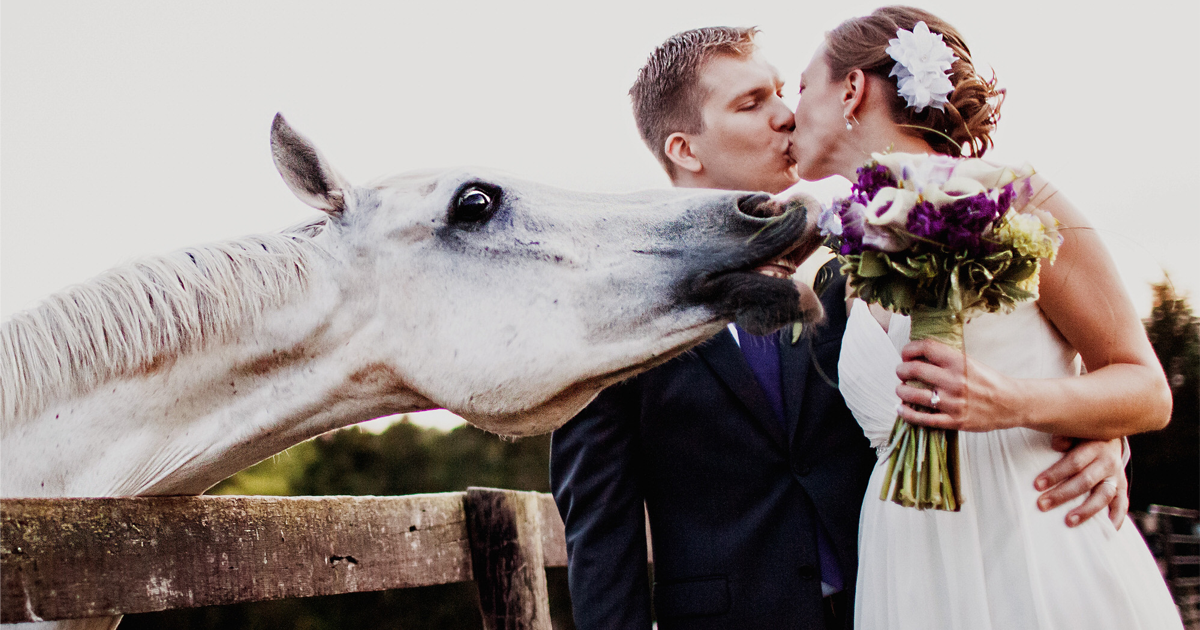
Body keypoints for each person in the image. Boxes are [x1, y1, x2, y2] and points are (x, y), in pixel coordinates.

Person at [551, 25, 1131, 630]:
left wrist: (1102, 436)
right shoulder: (612, 316)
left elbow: (1039, 357)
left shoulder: (861, 263)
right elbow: (600, 531)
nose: (786, 115)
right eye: (752, 104)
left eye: (782, 92)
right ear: (685, 149)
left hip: (900, 598)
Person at [787, 6, 1182, 629]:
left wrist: (1018, 403)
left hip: (1033, 538)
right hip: (909, 563)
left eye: (801, 85)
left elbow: (1145, 387)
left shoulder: (1016, 198)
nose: (789, 110)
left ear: (853, 89)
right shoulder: (845, 262)